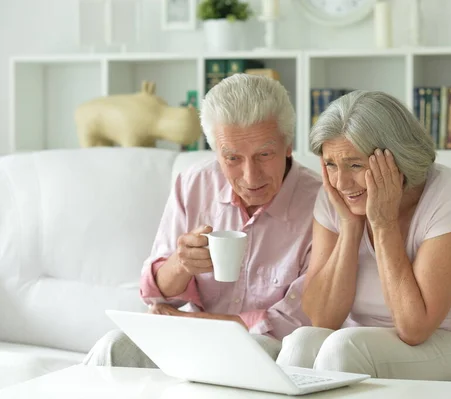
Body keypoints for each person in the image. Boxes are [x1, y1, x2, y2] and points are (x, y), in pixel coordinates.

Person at [275, 90, 451, 381]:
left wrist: (383, 224)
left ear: (396, 160)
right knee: (300, 342)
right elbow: (323, 319)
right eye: (330, 164)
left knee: (344, 348)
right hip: (374, 343)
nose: (341, 182)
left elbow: (414, 328)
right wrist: (351, 227)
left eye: (355, 164)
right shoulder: (337, 198)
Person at [84, 74, 321, 367]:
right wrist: (181, 264)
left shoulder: (319, 204)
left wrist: (193, 322)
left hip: (273, 351)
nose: (251, 176)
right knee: (114, 348)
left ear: (288, 145)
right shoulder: (194, 184)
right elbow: (156, 297)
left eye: (264, 154)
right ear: (216, 151)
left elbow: (293, 323)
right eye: (232, 158)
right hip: (193, 340)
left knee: (261, 348)